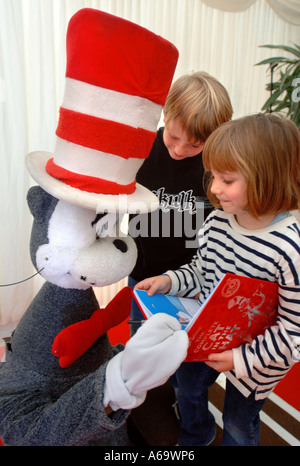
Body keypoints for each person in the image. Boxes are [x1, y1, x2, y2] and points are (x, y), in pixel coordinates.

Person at [135, 113, 300, 446]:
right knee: (186, 388)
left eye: (226, 180)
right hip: (206, 336)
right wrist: (168, 281)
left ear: (267, 178)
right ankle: (197, 432)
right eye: (213, 177)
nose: (213, 188)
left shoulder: (290, 249)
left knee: (239, 423)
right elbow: (199, 272)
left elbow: (294, 331)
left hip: (256, 361)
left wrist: (241, 359)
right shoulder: (217, 224)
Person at [128, 71, 233, 334]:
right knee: (141, 345)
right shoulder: (141, 149)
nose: (180, 150)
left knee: (183, 349)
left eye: (195, 145)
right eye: (174, 138)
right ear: (165, 114)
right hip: (141, 272)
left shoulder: (214, 167)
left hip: (192, 280)